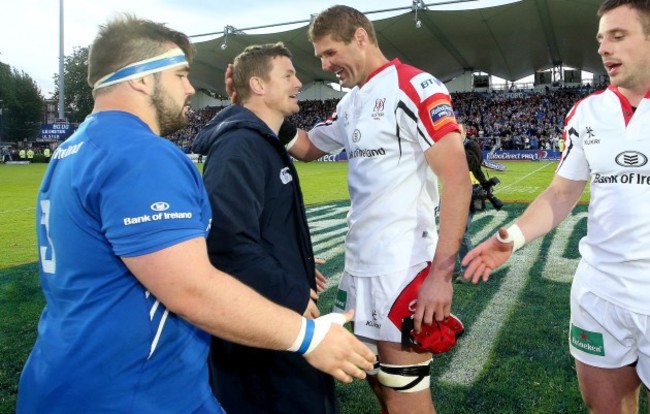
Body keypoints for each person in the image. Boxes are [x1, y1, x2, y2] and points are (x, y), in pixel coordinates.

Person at [16, 14, 375, 414]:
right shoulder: (139, 154)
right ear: (140, 79)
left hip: (67, 373)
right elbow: (191, 287)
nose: (190, 88)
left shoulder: (73, 149)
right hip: (135, 392)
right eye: (180, 74)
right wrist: (308, 337)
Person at [226, 6, 470, 413]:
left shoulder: (414, 86)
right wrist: (256, 105)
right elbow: (308, 147)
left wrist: (441, 276)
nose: (324, 65)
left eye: (329, 53)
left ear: (360, 37)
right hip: (360, 266)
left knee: (405, 391)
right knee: (380, 385)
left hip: (403, 267)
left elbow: (458, 178)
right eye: (320, 57)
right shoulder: (353, 100)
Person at [462, 1, 650, 412]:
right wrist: (512, 237)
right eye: (601, 39)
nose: (603, 48)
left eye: (618, 36)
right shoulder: (587, 112)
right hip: (599, 291)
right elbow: (561, 193)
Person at [192, 42, 337, 414]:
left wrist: (297, 263)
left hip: (275, 315)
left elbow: (262, 229)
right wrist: (290, 289)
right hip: (265, 328)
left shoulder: (259, 141)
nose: (299, 82)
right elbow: (227, 242)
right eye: (288, 75)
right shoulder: (240, 147)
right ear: (258, 85)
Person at [455, 123, 491, 283]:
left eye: (458, 131)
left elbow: (473, 164)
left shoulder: (471, 145)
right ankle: (460, 267)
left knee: (461, 232)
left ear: (464, 133)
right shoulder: (452, 147)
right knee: (452, 232)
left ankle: (468, 269)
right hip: (454, 192)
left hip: (472, 193)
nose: (455, 134)